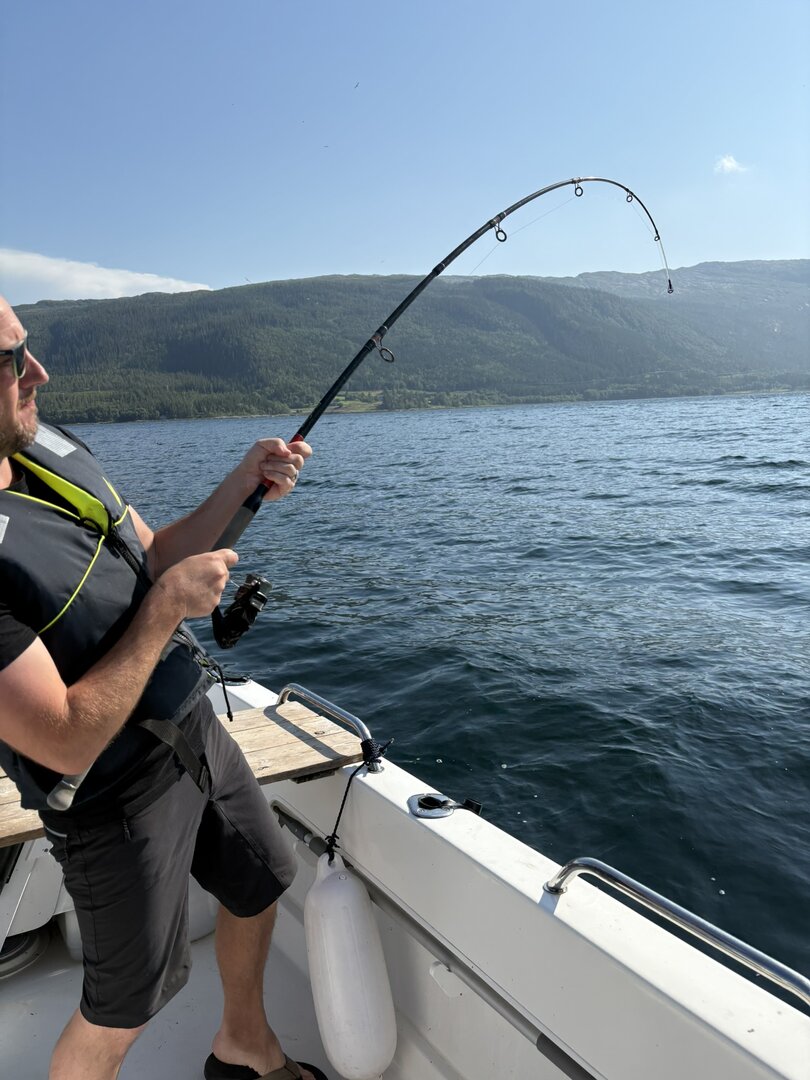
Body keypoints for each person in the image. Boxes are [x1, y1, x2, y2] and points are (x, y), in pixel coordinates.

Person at [0, 296, 326, 1080]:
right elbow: (63, 738)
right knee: (125, 1008)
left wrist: (240, 484)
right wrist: (168, 609)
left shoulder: (47, 446)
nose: (38, 372)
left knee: (261, 878)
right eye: (10, 360)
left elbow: (153, 556)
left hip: (191, 729)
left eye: (26, 348)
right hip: (112, 800)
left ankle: (244, 1048)